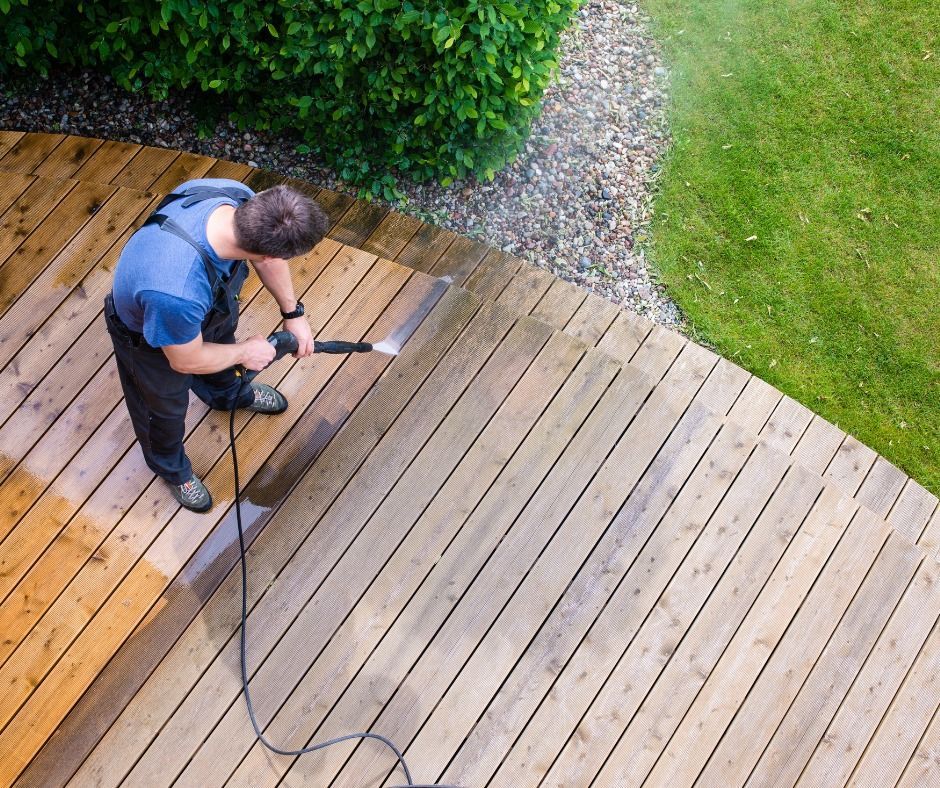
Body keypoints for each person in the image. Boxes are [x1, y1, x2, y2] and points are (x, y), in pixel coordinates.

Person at [104, 178, 329, 512]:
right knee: (162, 411)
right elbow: (186, 360)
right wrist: (245, 353)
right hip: (151, 340)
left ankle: (227, 396)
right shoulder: (176, 290)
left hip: (207, 311)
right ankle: (171, 468)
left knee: (224, 357)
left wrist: (292, 313)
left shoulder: (238, 198)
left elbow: (267, 260)